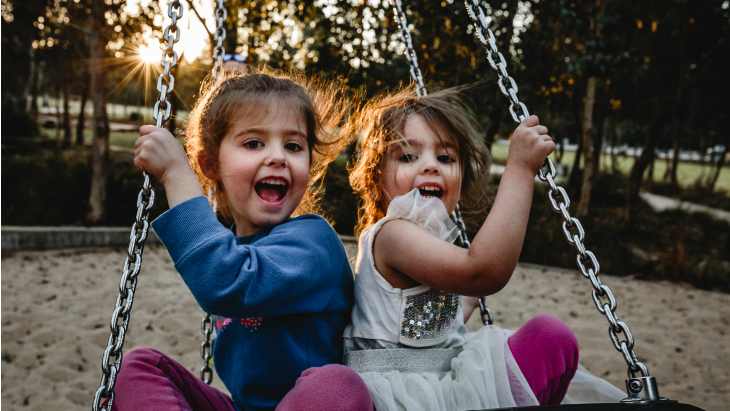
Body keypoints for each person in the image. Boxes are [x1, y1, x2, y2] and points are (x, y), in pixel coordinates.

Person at [345, 87, 625, 410]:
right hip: (396, 395)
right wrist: (520, 168)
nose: (430, 166)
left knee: (552, 338)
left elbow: (419, 324)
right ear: (373, 180)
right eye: (408, 156)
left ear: (461, 181)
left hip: (447, 381)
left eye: (445, 157)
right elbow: (482, 271)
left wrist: (462, 303)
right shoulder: (391, 235)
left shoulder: (433, 244)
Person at [111, 71, 372, 411]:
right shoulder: (226, 248)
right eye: (253, 143)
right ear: (210, 164)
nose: (278, 156)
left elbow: (225, 281)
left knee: (337, 385)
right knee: (139, 366)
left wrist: (176, 175)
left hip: (307, 404)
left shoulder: (314, 243)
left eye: (293, 146)